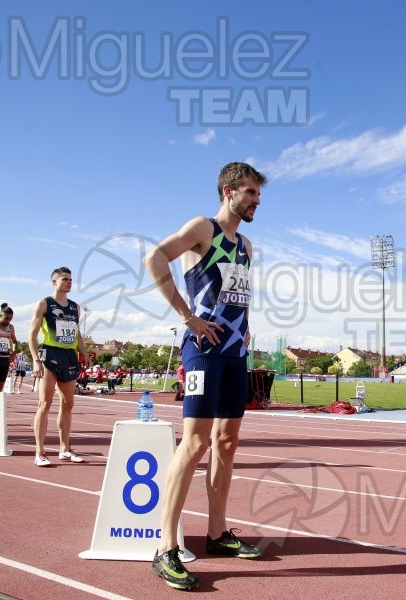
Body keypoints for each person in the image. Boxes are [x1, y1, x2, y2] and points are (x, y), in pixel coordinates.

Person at [144, 162, 266, 590]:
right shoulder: (204, 228)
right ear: (229, 190)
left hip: (236, 353)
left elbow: (237, 296)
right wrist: (187, 317)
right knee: (195, 442)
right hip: (203, 350)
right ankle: (164, 548)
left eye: (258, 194)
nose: (256, 200)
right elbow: (153, 257)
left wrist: (247, 331)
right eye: (250, 192)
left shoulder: (247, 245)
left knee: (226, 443)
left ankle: (217, 535)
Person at [29, 266, 90, 467]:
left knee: (68, 404)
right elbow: (32, 334)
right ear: (54, 282)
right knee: (44, 404)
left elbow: (77, 333)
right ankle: (40, 451)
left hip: (69, 356)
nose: (69, 282)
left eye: (71, 279)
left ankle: (64, 449)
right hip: (50, 354)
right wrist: (36, 360)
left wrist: (84, 352)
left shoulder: (75, 307)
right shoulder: (44, 304)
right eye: (65, 279)